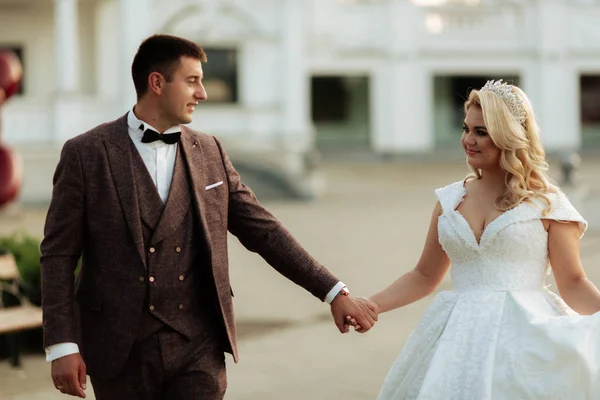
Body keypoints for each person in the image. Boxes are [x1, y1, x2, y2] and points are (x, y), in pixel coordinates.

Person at [40, 34, 377, 400]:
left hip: (197, 344)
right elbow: (58, 255)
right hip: (118, 346)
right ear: (156, 83)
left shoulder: (210, 151)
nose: (202, 93)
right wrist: (61, 344)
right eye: (191, 81)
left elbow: (264, 231)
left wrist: (333, 292)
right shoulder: (85, 153)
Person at [347, 79, 600, 399]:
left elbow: (574, 282)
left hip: (524, 337)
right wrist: (372, 305)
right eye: (466, 129)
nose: (468, 140)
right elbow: (424, 275)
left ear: (509, 135)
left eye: (481, 131)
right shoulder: (450, 200)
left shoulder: (548, 204)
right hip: (454, 337)